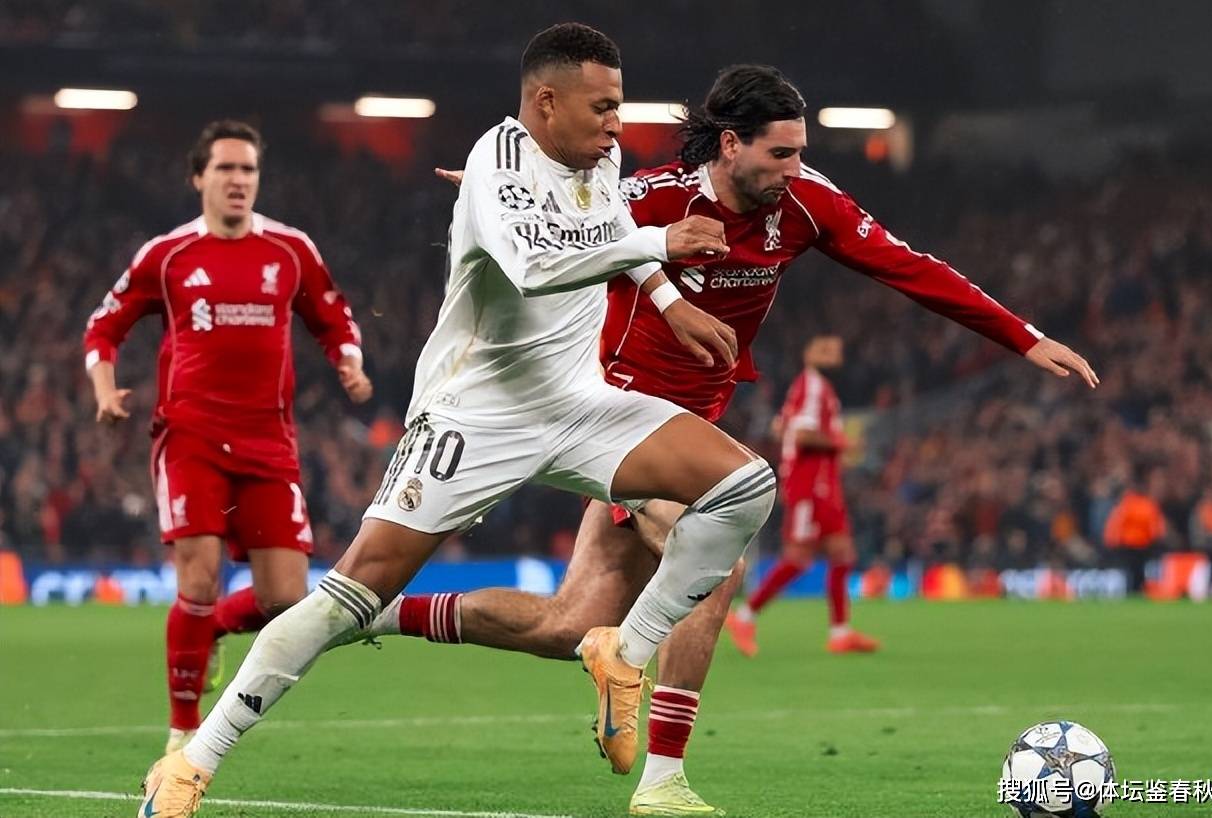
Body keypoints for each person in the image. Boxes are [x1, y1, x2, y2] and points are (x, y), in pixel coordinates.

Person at [382, 64, 1097, 815]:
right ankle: (663, 780)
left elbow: (910, 269)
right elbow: (565, 219)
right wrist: (493, 188)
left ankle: (380, 612)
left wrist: (1023, 337)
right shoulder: (655, 197)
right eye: (781, 153)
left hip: (691, 433)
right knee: (717, 554)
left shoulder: (808, 204)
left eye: (801, 152)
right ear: (731, 145)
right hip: (615, 421)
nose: (796, 168)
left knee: (566, 625)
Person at [136, 23, 777, 817]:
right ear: (547, 102)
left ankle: (625, 649)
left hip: (579, 404)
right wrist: (662, 241)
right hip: (475, 417)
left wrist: (670, 302)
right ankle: (190, 764)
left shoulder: (601, 160)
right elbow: (535, 266)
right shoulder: (498, 160)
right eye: (602, 107)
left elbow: (613, 234)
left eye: (619, 105)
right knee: (347, 597)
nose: (617, 123)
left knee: (744, 486)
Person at [83, 119, 371, 755]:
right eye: (226, 169)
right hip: (191, 436)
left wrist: (348, 360)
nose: (239, 180)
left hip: (269, 441)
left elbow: (333, 316)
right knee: (198, 578)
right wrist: (105, 390)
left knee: (287, 600)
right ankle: (182, 736)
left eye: (248, 170)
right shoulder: (168, 255)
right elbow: (103, 327)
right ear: (199, 178)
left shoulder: (290, 250)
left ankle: (210, 627)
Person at [725, 335, 879, 657]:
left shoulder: (816, 388)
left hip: (824, 485)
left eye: (836, 350)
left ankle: (840, 633)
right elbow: (804, 435)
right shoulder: (812, 386)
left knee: (842, 553)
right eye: (825, 349)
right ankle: (744, 616)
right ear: (808, 354)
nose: (834, 355)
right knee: (798, 557)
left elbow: (783, 427)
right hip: (810, 486)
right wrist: (843, 443)